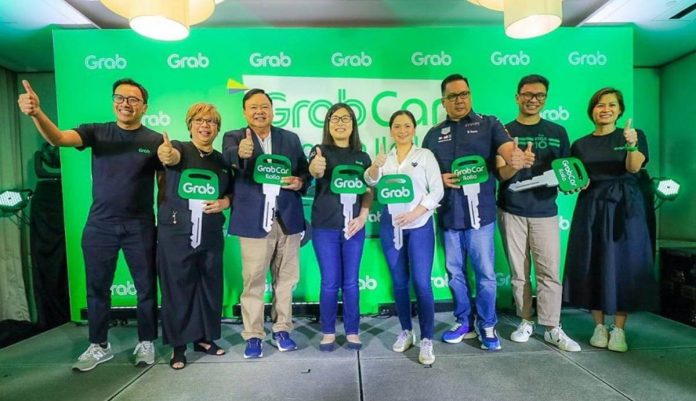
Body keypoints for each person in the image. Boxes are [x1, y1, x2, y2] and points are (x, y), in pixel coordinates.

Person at [18, 78, 161, 371]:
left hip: (140, 226)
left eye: (133, 99)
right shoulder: (96, 131)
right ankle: (99, 345)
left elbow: (165, 184)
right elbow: (57, 138)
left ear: (144, 107)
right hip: (101, 226)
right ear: (113, 102)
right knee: (97, 288)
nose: (126, 103)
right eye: (120, 97)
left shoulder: (156, 140)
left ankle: (146, 341)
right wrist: (36, 114)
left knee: (146, 288)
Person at [422, 74, 519, 351]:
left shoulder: (489, 123)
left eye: (463, 94)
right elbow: (424, 177)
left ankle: (487, 324)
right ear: (444, 101)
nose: (459, 100)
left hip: (482, 216)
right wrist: (439, 178)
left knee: (486, 273)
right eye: (452, 96)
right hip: (449, 216)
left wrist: (515, 157)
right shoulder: (432, 134)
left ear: (470, 95)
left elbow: (508, 152)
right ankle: (463, 320)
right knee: (454, 273)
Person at [564, 87, 655, 352]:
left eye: (612, 105)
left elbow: (634, 167)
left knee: (622, 263)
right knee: (594, 261)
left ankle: (619, 329)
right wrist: (574, 185)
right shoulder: (580, 144)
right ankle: (599, 326)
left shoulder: (634, 136)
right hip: (591, 206)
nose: (605, 109)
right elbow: (575, 178)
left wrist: (631, 144)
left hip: (625, 207)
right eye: (600, 105)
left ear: (620, 110)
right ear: (592, 110)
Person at [222, 88, 310, 359]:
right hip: (253, 221)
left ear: (272, 109)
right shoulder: (234, 137)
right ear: (245, 112)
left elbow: (304, 171)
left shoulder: (290, 138)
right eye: (253, 108)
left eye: (264, 106)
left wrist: (301, 182)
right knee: (254, 281)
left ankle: (282, 329)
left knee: (286, 280)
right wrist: (241, 153)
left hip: (287, 219)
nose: (259, 111)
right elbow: (227, 159)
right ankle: (253, 335)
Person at [496, 74, 581, 352]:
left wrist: (570, 184)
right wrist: (517, 164)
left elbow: (566, 171)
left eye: (539, 95)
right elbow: (500, 174)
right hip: (512, 210)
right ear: (517, 96)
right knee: (519, 273)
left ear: (545, 98)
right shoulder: (504, 131)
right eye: (528, 94)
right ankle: (525, 320)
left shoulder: (558, 131)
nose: (533, 100)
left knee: (549, 272)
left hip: (546, 211)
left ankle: (552, 326)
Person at [156, 103, 233, 369]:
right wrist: (167, 154)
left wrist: (225, 203)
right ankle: (179, 346)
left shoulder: (222, 161)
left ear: (217, 128)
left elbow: (232, 192)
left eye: (211, 121)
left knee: (209, 285)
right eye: (199, 120)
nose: (205, 125)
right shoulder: (179, 148)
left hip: (211, 233)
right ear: (190, 125)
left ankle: (203, 337)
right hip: (177, 231)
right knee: (178, 287)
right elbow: (169, 157)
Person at [365, 110, 443, 365]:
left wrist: (417, 213)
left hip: (419, 224)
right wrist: (375, 166)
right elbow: (370, 181)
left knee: (421, 282)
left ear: (414, 129)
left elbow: (437, 190)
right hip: (392, 225)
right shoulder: (384, 158)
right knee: (399, 282)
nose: (401, 130)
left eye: (406, 125)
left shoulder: (425, 156)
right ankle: (406, 331)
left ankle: (427, 338)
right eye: (397, 126)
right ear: (390, 130)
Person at [308, 103, 372, 352]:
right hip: (325, 227)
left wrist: (364, 215)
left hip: (354, 227)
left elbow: (368, 191)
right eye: (334, 118)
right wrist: (315, 168)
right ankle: (328, 331)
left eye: (345, 118)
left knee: (351, 282)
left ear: (353, 124)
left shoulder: (362, 156)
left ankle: (353, 331)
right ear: (327, 124)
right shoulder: (319, 151)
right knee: (329, 282)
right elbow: (313, 171)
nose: (340, 123)